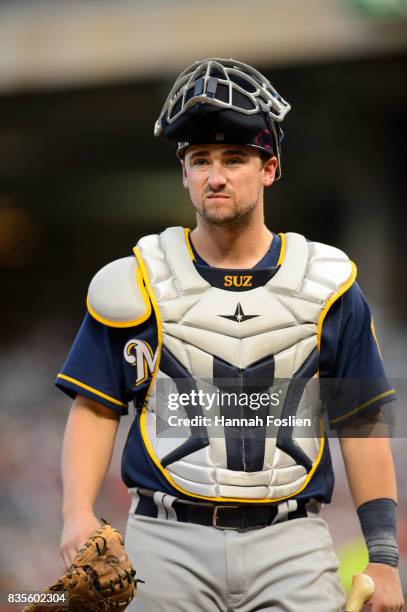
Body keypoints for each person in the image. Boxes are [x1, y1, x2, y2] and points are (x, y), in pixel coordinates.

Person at [56, 58, 404, 611]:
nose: (215, 175)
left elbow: (361, 422)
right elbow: (95, 408)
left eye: (235, 159)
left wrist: (383, 558)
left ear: (269, 169)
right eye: (201, 160)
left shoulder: (330, 285)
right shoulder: (137, 281)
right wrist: (76, 513)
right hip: (164, 541)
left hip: (292, 542)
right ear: (185, 173)